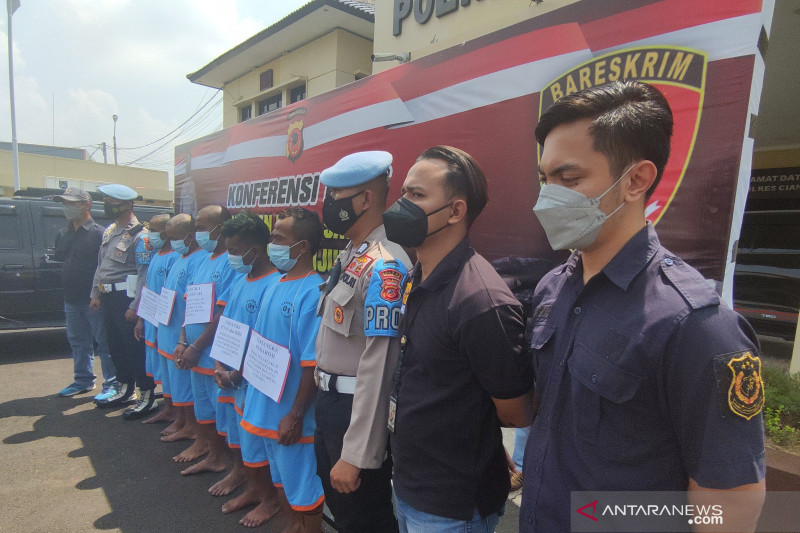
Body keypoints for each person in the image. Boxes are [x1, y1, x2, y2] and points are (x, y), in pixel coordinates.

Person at [519, 80, 766, 531]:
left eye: (568, 179)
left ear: (636, 180)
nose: (546, 198)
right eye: (545, 179)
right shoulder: (554, 288)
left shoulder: (696, 326)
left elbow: (729, 503)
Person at [382, 145, 533, 533]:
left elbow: (515, 411)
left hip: (451, 506)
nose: (402, 205)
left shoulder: (479, 301)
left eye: (417, 196)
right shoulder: (418, 275)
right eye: (403, 193)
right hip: (411, 484)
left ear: (455, 211)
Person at [314, 151, 411, 533]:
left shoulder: (386, 263)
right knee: (345, 516)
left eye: (336, 195)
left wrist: (356, 454)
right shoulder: (354, 253)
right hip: (331, 403)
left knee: (364, 519)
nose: (328, 205)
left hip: (354, 411)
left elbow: (381, 365)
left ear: (366, 199)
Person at [240, 207, 325, 531]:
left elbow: (311, 363)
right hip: (264, 410)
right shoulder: (276, 282)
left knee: (305, 492)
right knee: (284, 486)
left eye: (278, 238)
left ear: (301, 246)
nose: (271, 243)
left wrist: (296, 414)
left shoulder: (312, 292)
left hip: (291, 420)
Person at [211, 211, 281, 526]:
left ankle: (270, 499)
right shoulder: (242, 279)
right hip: (229, 378)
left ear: (255, 248)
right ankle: (252, 487)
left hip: (255, 383)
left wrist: (239, 372)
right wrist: (219, 364)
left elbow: (272, 342)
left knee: (260, 445)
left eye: (236, 251)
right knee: (240, 438)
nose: (231, 257)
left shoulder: (276, 283)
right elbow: (226, 325)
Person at [174, 205, 237, 476]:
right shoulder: (202, 260)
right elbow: (192, 304)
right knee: (204, 411)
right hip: (194, 352)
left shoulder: (230, 262)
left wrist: (197, 346)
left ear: (219, 228)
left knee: (226, 417)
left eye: (201, 227)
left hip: (213, 356)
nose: (196, 233)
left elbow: (224, 313)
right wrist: (182, 340)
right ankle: (211, 454)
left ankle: (235, 467)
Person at [91, 184, 154, 414]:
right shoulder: (109, 231)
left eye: (112, 201)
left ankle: (146, 394)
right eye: (106, 200)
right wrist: (95, 293)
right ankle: (125, 388)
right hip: (108, 296)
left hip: (126, 298)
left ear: (128, 204)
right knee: (115, 346)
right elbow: (101, 265)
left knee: (134, 349)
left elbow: (144, 274)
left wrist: (136, 306)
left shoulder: (140, 234)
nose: (108, 205)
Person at [52, 187, 117, 400]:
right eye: (64, 203)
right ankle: (83, 380)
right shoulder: (63, 234)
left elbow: (106, 268)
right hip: (71, 299)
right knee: (78, 341)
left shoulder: (100, 233)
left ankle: (113, 383)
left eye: (71, 203)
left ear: (86, 205)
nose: (66, 208)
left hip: (94, 300)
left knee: (104, 343)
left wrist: (96, 295)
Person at [156, 214, 207, 462]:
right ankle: (182, 421)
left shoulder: (199, 260)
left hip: (182, 332)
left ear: (189, 236)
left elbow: (194, 301)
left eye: (175, 238)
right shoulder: (180, 257)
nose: (171, 242)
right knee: (176, 384)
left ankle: (193, 428)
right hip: (169, 330)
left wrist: (183, 339)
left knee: (187, 386)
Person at [132, 214, 177, 424]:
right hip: (151, 322)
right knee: (162, 373)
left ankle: (177, 413)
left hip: (166, 324)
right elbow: (148, 290)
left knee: (172, 373)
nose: (151, 234)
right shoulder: (157, 255)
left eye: (155, 230)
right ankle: (168, 409)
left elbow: (171, 296)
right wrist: (141, 320)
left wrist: (161, 327)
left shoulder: (174, 257)